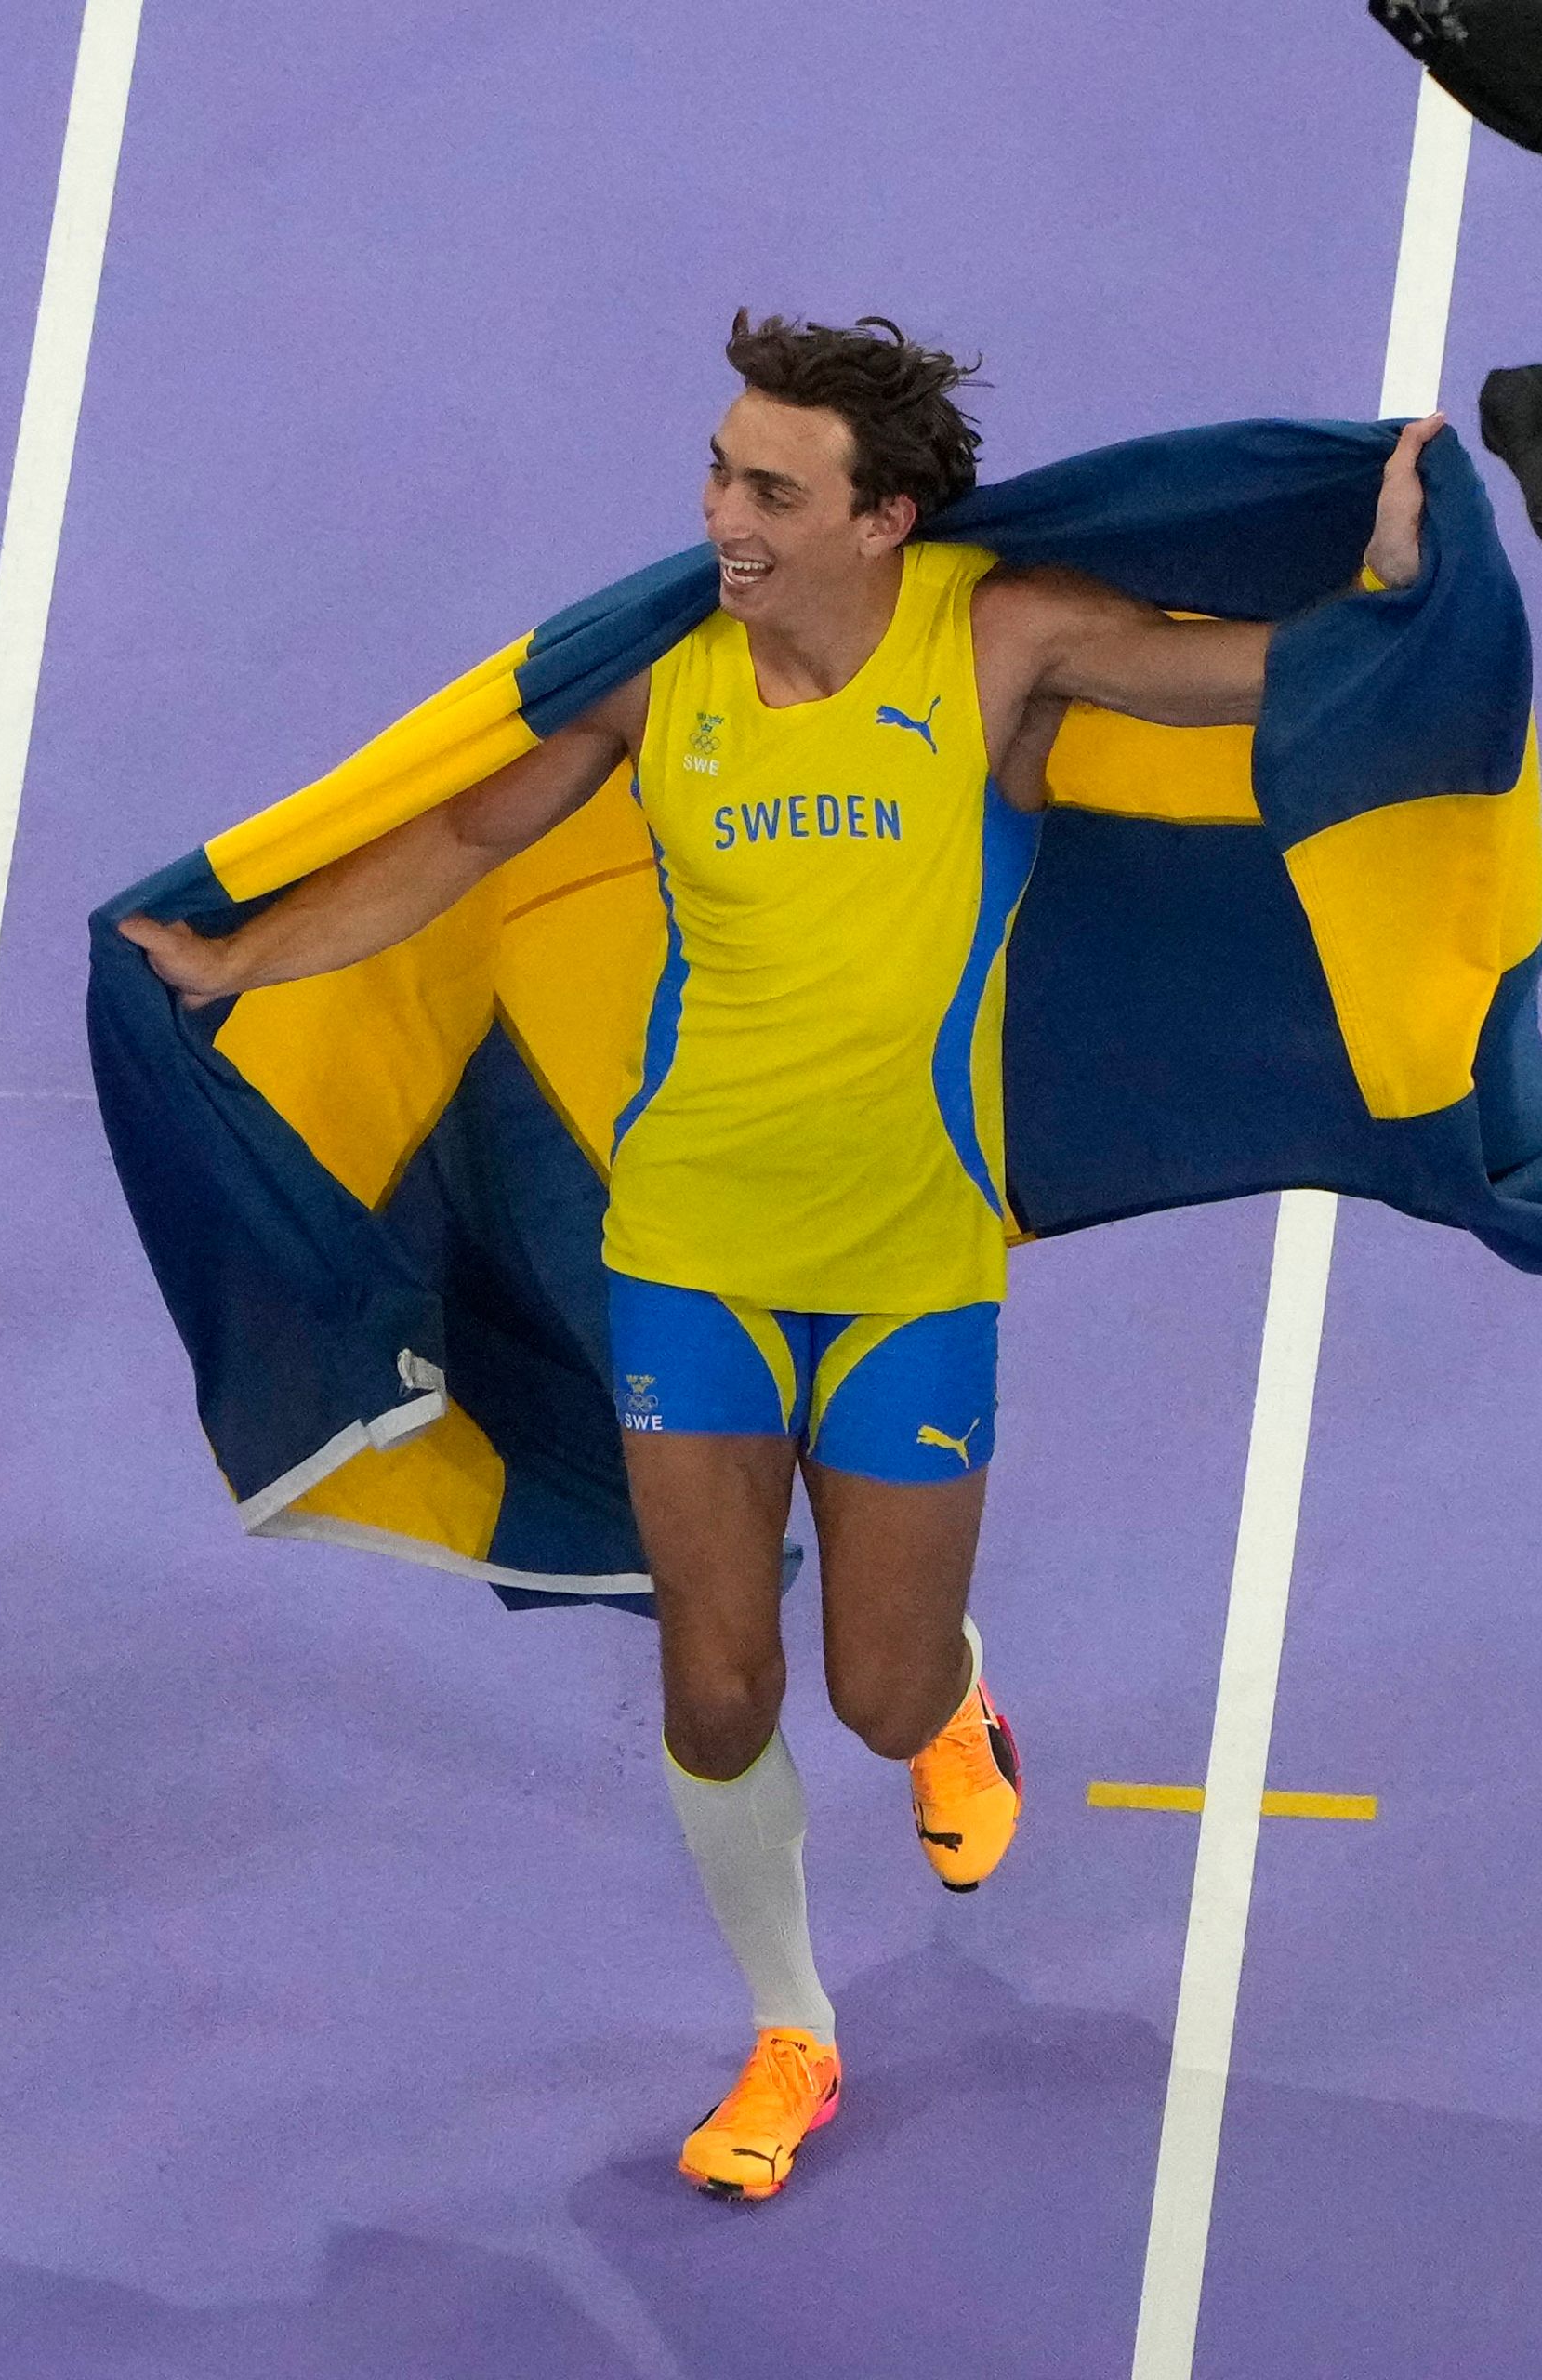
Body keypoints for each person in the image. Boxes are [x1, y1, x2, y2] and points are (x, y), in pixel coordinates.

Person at [124, 314, 1442, 2200]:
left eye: (770, 489)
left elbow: (1257, 677)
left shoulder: (998, 640)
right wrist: (243, 962)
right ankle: (793, 2023)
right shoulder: (666, 675)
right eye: (718, 473)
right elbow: (466, 829)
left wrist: (1385, 577)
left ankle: (954, 1697)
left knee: (877, 1694)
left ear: (885, 517)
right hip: (690, 1251)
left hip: (911, 1265)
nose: (721, 518)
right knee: (719, 1686)